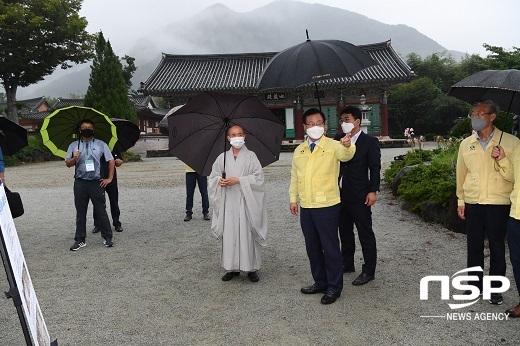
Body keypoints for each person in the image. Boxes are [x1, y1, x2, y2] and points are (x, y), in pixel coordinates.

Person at [289, 108, 356, 305]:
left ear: (325, 126)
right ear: (304, 127)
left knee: (330, 247)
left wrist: (347, 144)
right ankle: (320, 281)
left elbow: (347, 155)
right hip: (307, 206)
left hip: (327, 205)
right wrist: (293, 198)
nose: (315, 127)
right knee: (313, 247)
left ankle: (334, 287)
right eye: (311, 124)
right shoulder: (299, 150)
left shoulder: (334, 145)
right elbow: (294, 177)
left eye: (319, 123)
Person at [456, 100, 520, 305]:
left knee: (497, 247)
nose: (475, 117)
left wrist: (502, 158)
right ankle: (474, 287)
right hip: (473, 202)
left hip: (498, 202)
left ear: (492, 116)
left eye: (480, 113)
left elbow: (514, 177)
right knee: (473, 246)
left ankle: (495, 289)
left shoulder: (511, 143)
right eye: (473, 114)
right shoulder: (466, 143)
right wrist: (461, 200)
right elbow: (461, 174)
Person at [208, 125, 267, 283]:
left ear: (244, 136)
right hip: (228, 201)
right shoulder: (222, 158)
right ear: (228, 138)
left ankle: (251, 268)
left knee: (247, 234)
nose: (237, 137)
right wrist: (218, 181)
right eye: (233, 135)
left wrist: (240, 180)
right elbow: (212, 177)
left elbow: (259, 178)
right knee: (230, 233)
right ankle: (231, 267)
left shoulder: (251, 156)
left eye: (239, 134)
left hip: (246, 202)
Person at [334, 106, 381, 286]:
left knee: (364, 232)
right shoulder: (337, 139)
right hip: (339, 193)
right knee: (344, 231)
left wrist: (373, 190)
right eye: (342, 120)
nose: (344, 123)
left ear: (357, 121)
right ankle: (347, 263)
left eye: (347, 119)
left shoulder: (369, 141)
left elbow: (374, 167)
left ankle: (369, 270)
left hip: (361, 193)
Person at [66, 119, 115, 251]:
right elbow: (68, 164)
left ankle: (107, 237)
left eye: (89, 127)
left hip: (96, 182)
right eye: (84, 127)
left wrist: (109, 178)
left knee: (101, 210)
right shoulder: (74, 145)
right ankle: (80, 239)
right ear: (80, 130)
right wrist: (74, 158)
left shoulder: (100, 144)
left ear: (93, 129)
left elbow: (111, 160)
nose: (87, 129)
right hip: (80, 182)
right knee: (80, 211)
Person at [92, 146, 124, 233]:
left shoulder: (113, 145)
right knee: (98, 202)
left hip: (111, 178)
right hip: (98, 178)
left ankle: (117, 223)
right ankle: (97, 224)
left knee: (114, 201)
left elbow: (119, 160)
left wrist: (119, 161)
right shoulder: (93, 145)